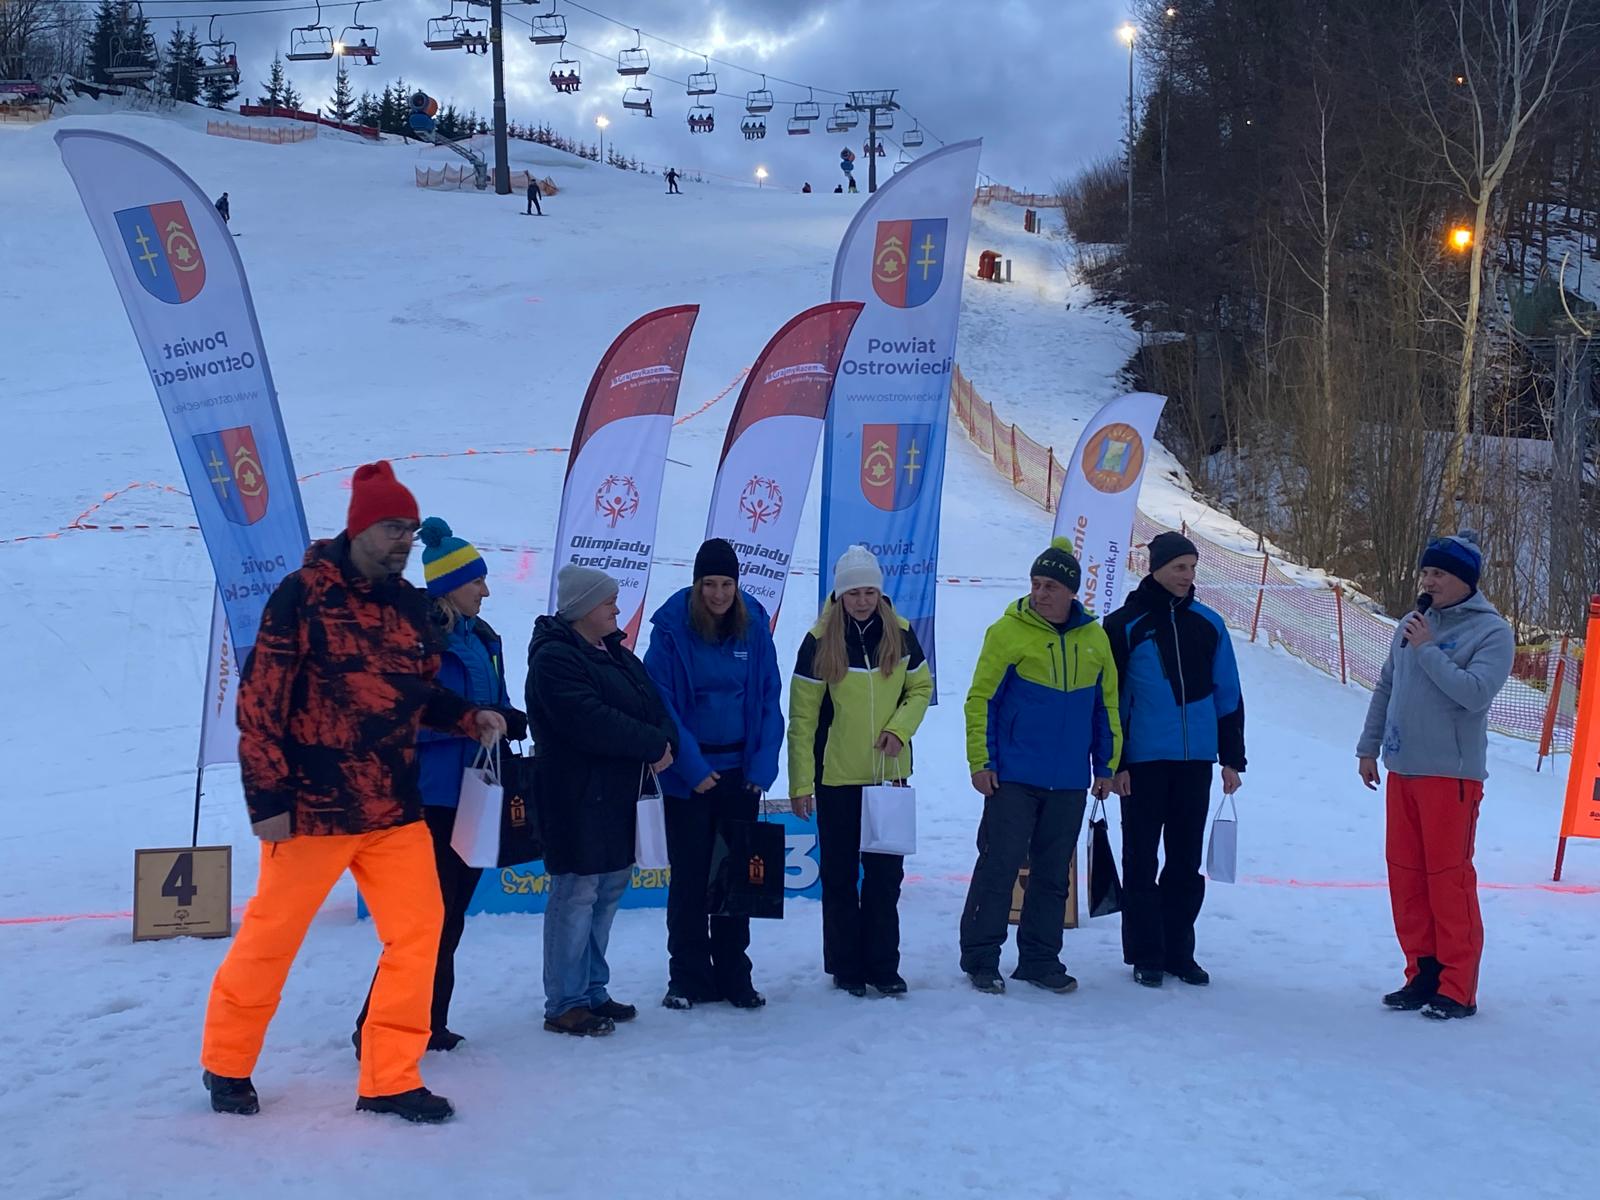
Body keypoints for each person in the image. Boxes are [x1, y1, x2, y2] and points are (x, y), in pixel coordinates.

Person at [200, 462, 507, 1125]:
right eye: (393, 527)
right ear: (360, 527)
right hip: (312, 812)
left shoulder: (409, 608)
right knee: (271, 942)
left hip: (394, 809)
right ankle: (227, 1063)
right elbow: (260, 704)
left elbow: (416, 694)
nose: (404, 540)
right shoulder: (301, 595)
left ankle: (389, 1077)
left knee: (419, 937)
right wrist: (267, 801)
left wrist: (467, 716)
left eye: (410, 529)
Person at [352, 517, 527, 1056]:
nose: (486, 590)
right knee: (422, 921)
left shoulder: (483, 637)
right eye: (477, 581)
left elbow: (491, 704)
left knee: (449, 918)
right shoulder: (416, 638)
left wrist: (506, 718)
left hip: (478, 792)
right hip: (430, 797)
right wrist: (469, 721)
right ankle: (376, 1025)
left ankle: (428, 1020)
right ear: (450, 586)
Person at [1357, 530, 1513, 1021]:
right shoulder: (1412, 622)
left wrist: (1427, 649)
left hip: (1451, 777)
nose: (1428, 581)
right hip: (1402, 768)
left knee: (1448, 882)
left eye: (1439, 573)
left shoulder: (1491, 632)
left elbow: (1474, 693)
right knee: (1407, 879)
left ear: (1465, 580)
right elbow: (1386, 687)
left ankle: (1457, 987)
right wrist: (1368, 747)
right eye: (1426, 572)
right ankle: (1421, 973)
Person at [958, 540, 1121, 995]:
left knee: (1053, 876)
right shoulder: (1006, 632)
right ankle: (981, 959)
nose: (1041, 593)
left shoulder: (1095, 639)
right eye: (1035, 584)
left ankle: (1040, 959)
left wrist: (1105, 766)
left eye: (1050, 586)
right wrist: (981, 761)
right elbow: (981, 700)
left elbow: (1105, 707)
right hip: (1013, 776)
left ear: (1071, 591)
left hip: (1068, 781)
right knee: (1000, 867)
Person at [527, 565, 677, 1036]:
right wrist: (651, 744)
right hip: (575, 800)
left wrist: (663, 740)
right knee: (575, 896)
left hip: (616, 798)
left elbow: (654, 705)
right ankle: (565, 1001)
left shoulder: (615, 653)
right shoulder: (554, 658)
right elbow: (589, 719)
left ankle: (592, 989)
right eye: (608, 601)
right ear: (582, 607)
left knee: (606, 894)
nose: (616, 608)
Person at [643, 539, 783, 1011]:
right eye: (710, 584)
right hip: (690, 779)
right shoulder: (671, 630)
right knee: (689, 879)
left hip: (740, 775)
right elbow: (661, 704)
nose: (719, 594)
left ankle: (734, 975)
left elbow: (768, 698)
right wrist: (693, 768)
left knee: (735, 879)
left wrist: (762, 765)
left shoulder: (754, 627)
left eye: (726, 584)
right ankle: (687, 977)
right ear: (696, 584)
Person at [1103, 531, 1245, 989]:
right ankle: (1146, 953)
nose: (1188, 576)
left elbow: (1228, 694)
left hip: (1195, 761)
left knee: (1185, 861)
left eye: (1193, 567)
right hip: (1142, 762)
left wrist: (1231, 758)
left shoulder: (1209, 623)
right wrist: (1115, 763)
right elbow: (1110, 700)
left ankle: (1179, 951)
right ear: (1157, 569)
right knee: (1141, 859)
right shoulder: (1123, 624)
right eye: (1179, 567)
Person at [789, 546, 932, 996]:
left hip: (889, 778)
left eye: (870, 591)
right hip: (837, 780)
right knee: (839, 877)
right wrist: (800, 783)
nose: (863, 600)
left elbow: (920, 688)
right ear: (840, 594)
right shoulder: (818, 640)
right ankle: (846, 967)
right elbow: (802, 720)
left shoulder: (901, 633)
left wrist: (899, 730)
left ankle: (883, 966)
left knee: (885, 879)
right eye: (854, 593)